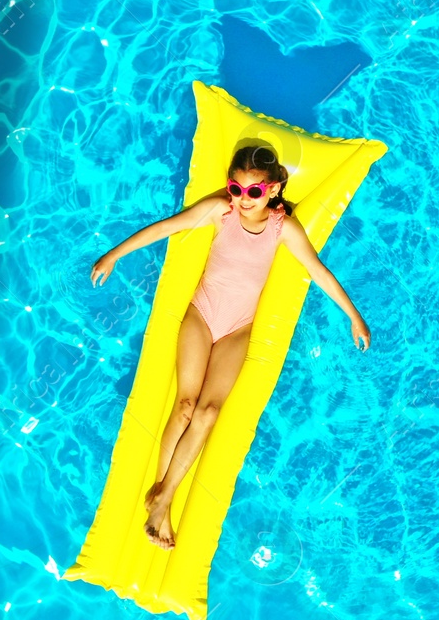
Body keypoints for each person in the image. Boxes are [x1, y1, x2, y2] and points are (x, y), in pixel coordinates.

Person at [89, 145, 371, 550]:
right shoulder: (221, 211)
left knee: (208, 412)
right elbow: (168, 227)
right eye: (235, 188)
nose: (242, 199)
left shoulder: (282, 228)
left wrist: (353, 315)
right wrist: (113, 255)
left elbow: (317, 271)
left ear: (273, 191)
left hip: (238, 329)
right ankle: (162, 503)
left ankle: (162, 495)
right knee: (184, 405)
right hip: (201, 316)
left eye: (253, 192)